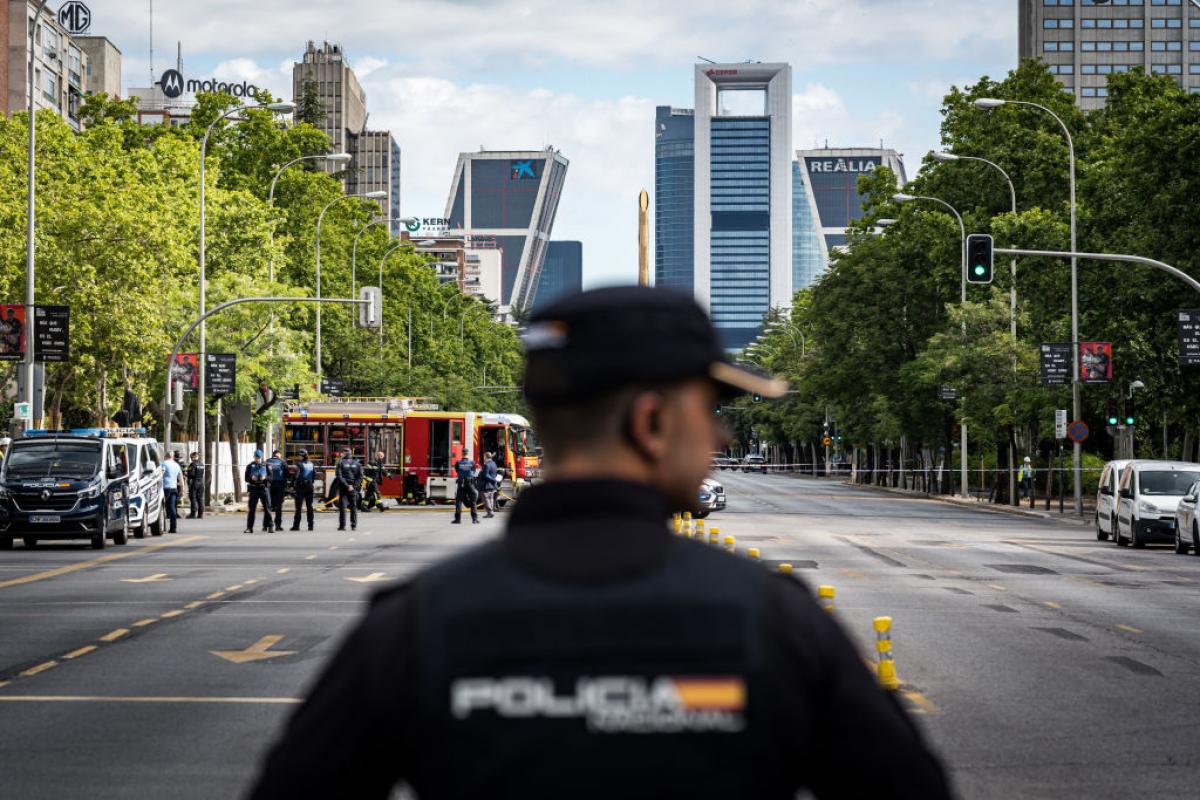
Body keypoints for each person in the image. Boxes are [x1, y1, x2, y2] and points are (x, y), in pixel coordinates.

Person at [249, 286, 951, 799]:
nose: (721, 436)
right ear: (651, 423)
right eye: (710, 411)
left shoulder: (414, 625)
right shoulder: (775, 622)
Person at [245, 450, 273, 534]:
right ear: (254, 457)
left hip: (263, 489)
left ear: (262, 457)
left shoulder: (267, 465)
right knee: (252, 509)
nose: (258, 459)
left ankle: (270, 527)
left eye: (259, 458)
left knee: (267, 508)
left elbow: (271, 478)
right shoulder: (250, 466)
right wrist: (251, 478)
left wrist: (265, 478)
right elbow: (246, 478)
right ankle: (249, 528)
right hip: (254, 489)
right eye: (256, 458)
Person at [335, 447, 363, 531]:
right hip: (353, 488)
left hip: (344, 488)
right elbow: (360, 476)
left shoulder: (340, 463)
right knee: (353, 507)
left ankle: (342, 526)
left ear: (344, 453)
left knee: (343, 507)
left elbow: (339, 476)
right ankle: (353, 526)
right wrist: (353, 486)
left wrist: (347, 486)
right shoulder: (357, 463)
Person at [291, 449, 316, 532]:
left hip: (301, 487)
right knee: (309, 507)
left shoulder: (299, 464)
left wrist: (292, 485)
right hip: (309, 486)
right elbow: (314, 475)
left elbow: (296, 475)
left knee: (298, 507)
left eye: (299, 455)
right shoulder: (311, 464)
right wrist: (310, 482)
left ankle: (296, 526)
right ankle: (311, 526)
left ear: (302, 456)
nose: (298, 456)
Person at [452, 452, 479, 524]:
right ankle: (474, 519)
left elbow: (457, 471)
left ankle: (458, 519)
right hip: (469, 483)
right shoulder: (472, 462)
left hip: (461, 484)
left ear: (462, 454)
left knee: (459, 501)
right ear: (467, 454)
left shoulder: (458, 463)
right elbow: (473, 471)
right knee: (473, 500)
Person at [266, 448, 288, 531]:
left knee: (268, 506)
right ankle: (278, 525)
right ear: (280, 455)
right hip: (280, 486)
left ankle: (266, 525)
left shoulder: (267, 461)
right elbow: (287, 474)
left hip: (269, 486)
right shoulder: (283, 462)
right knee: (279, 507)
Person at [160, 451, 182, 534]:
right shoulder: (177, 465)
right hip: (174, 488)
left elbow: (160, 475)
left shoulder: (163, 464)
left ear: (165, 456)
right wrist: (182, 490)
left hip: (165, 488)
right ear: (172, 457)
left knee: (162, 507)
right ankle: (173, 528)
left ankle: (162, 527)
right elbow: (181, 479)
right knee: (173, 508)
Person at [478, 450, 499, 518]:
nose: (483, 458)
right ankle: (491, 511)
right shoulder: (494, 463)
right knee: (491, 498)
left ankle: (490, 512)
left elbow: (486, 475)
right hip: (492, 485)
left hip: (486, 485)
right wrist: (494, 480)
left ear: (485, 456)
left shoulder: (486, 465)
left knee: (486, 499)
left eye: (484, 456)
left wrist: (493, 479)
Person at [185, 452, 205, 519]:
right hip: (201, 482)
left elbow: (191, 474)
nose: (191, 459)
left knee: (193, 498)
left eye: (191, 457)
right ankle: (200, 514)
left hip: (194, 482)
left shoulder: (193, 464)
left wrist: (186, 473)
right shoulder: (201, 464)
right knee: (200, 499)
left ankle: (193, 514)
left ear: (193, 457)